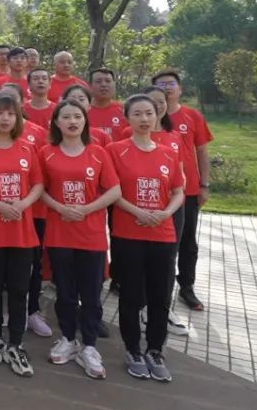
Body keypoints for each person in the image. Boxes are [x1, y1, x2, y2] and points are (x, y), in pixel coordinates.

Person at [38, 100, 121, 379]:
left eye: (77, 116)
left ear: (85, 121)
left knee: (91, 293)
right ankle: (68, 338)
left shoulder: (98, 153)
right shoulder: (46, 153)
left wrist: (87, 208)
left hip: (91, 235)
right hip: (60, 233)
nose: (72, 121)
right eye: (66, 117)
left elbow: (114, 191)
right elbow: (39, 189)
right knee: (65, 292)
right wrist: (59, 207)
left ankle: (89, 345)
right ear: (56, 122)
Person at [107, 94, 186, 382]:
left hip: (163, 234)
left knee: (160, 296)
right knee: (130, 295)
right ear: (127, 118)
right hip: (128, 233)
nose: (144, 119)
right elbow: (113, 192)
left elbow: (178, 191)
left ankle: (155, 349)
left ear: (157, 116)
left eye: (149, 113)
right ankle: (132, 349)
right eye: (137, 114)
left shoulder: (168, 153)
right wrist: (137, 211)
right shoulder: (115, 150)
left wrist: (165, 213)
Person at [0, 94, 44, 377]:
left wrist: (23, 204)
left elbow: (38, 185)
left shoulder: (28, 148)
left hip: (22, 232)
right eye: (0, 113)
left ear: (18, 118)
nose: (5, 118)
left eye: (11, 114)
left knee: (19, 289)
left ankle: (16, 342)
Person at [152, 70, 212, 311]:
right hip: (155, 193)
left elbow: (202, 152)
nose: (167, 88)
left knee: (187, 241)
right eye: (161, 85)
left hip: (187, 191)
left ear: (180, 89)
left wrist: (204, 185)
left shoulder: (192, 116)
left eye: (171, 84)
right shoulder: (145, 117)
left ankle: (186, 285)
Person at [88, 68, 126, 140]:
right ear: (90, 86)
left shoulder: (125, 110)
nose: (104, 84)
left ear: (114, 84)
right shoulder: (82, 111)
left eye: (108, 81)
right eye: (98, 81)